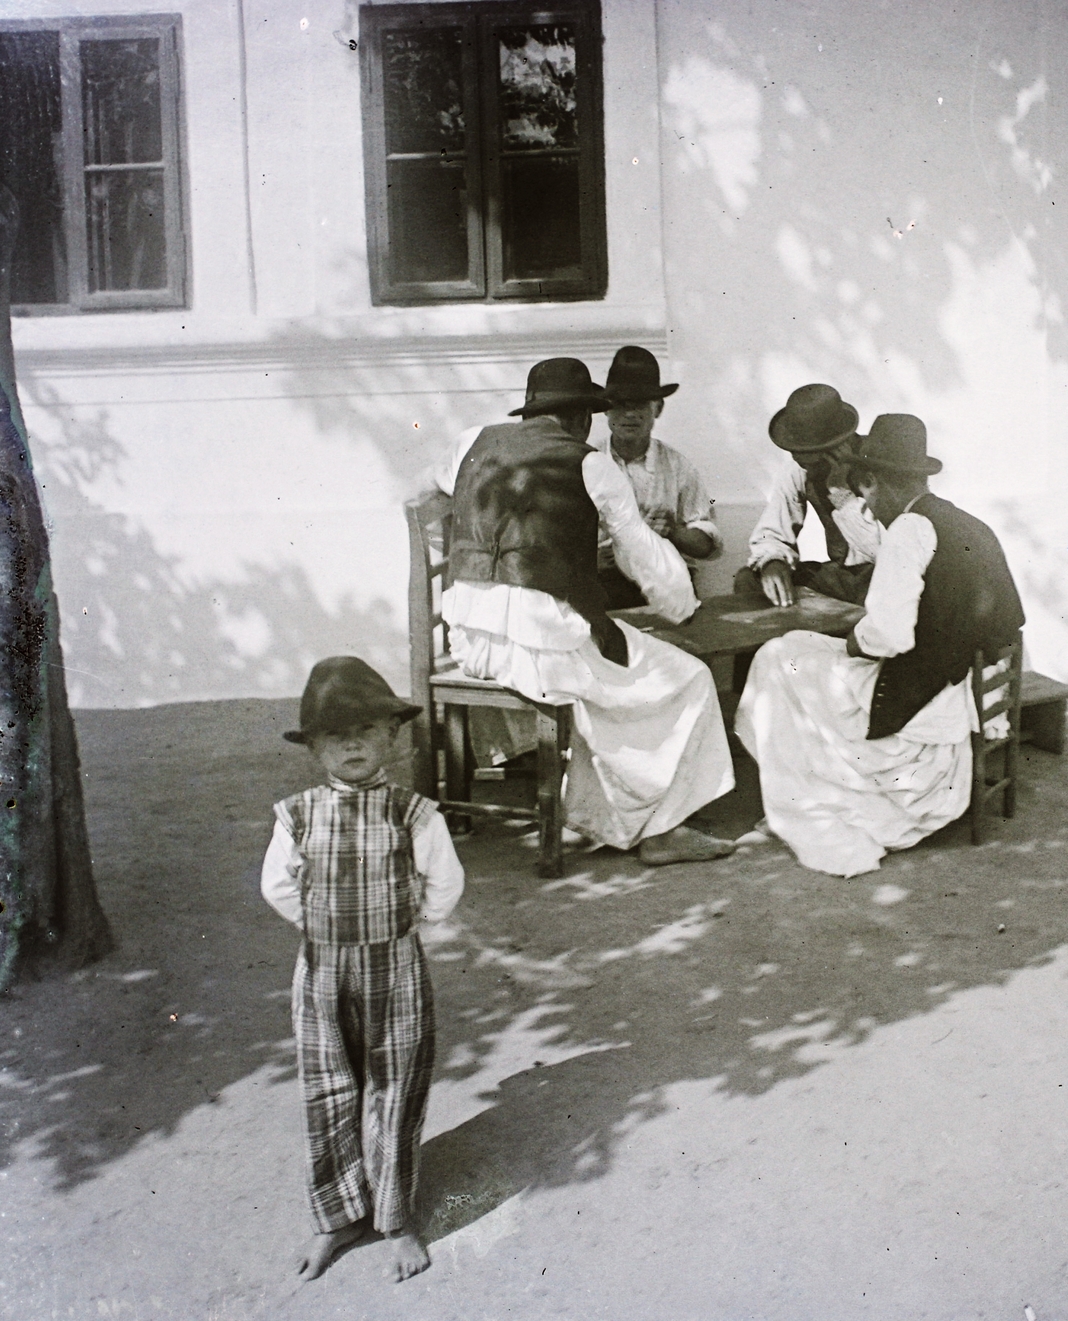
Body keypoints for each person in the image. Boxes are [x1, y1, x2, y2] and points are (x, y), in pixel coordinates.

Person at [436, 357, 735, 864]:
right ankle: (662, 830)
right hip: (542, 651)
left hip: (469, 642)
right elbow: (644, 558)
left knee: (614, 661)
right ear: (581, 418)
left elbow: (429, 493)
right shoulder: (589, 462)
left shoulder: (471, 441)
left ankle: (593, 810)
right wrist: (680, 608)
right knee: (690, 677)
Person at [735, 414, 1025, 877]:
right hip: (958, 683)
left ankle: (802, 796)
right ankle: (799, 785)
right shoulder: (965, 521)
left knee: (776, 660)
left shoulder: (909, 530)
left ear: (874, 481)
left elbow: (888, 637)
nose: (866, 508)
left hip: (922, 709)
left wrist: (850, 644)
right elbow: (1010, 617)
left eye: (866, 492)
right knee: (796, 646)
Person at [260, 656, 465, 1283]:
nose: (353, 744)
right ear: (315, 746)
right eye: (336, 735)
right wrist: (323, 923)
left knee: (397, 1086)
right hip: (321, 973)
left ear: (392, 739)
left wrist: (405, 924)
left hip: (395, 969)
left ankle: (395, 1216)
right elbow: (277, 887)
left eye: (368, 731)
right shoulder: (296, 815)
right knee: (328, 1088)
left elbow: (445, 886)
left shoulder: (416, 815)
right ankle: (336, 1215)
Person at [595, 345, 722, 610]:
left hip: (667, 584)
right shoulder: (587, 464)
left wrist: (674, 532)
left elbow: (708, 545)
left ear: (658, 408)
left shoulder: (677, 467)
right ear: (606, 409)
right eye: (620, 404)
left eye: (640, 404)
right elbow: (557, 545)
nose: (630, 414)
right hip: (603, 586)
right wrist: (592, 557)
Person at [732, 384, 881, 608]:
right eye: (797, 453)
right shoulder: (799, 467)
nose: (806, 465)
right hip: (842, 575)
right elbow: (772, 531)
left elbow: (883, 551)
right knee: (749, 579)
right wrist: (773, 561)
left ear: (841, 442)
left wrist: (841, 492)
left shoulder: (879, 463)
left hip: (881, 575)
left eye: (815, 457)